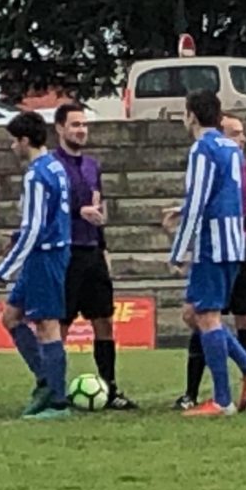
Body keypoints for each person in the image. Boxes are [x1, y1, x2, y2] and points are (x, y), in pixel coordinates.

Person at [167, 90, 246, 417]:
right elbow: (226, 197)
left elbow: (198, 200)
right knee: (196, 314)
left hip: (213, 243)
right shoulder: (231, 149)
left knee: (207, 317)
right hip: (235, 242)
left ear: (191, 115)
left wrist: (179, 249)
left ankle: (222, 400)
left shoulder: (203, 148)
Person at [51, 102, 138, 410]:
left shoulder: (92, 166)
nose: (81, 130)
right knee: (60, 323)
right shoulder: (51, 166)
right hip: (66, 252)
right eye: (75, 125)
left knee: (104, 320)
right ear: (60, 128)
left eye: (84, 125)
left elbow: (97, 210)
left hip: (92, 252)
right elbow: (48, 208)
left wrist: (104, 247)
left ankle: (110, 387)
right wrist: (78, 211)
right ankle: (54, 390)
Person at [0, 111, 73, 420]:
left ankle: (57, 400)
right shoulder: (55, 165)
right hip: (48, 251)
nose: (13, 147)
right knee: (11, 317)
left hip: (46, 255)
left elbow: (35, 227)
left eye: (14, 141)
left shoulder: (37, 174)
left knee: (47, 324)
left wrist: (6, 268)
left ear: (25, 140)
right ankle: (45, 378)